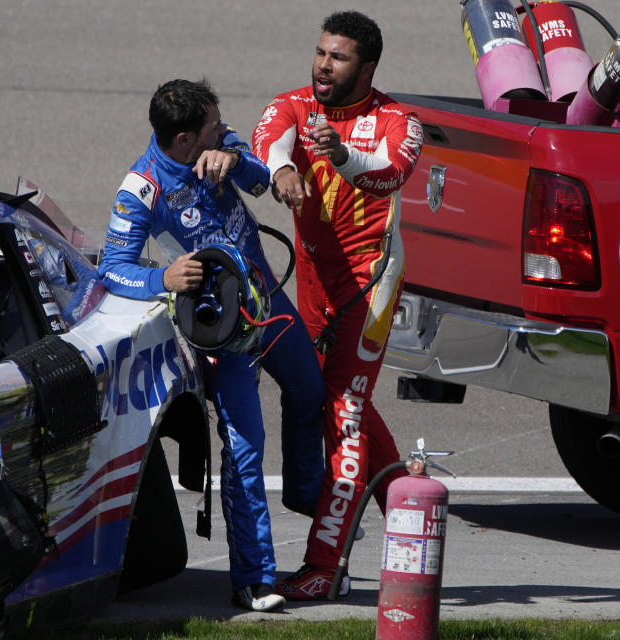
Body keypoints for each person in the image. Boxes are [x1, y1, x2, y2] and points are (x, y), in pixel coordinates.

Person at [98, 79, 326, 612]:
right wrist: (164, 280)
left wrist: (233, 158)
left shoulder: (222, 144)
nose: (223, 128)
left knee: (309, 389)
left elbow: (261, 177)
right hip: (223, 334)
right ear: (183, 140)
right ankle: (253, 578)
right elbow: (113, 269)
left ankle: (305, 495)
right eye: (212, 127)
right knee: (246, 445)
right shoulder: (142, 188)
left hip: (269, 302)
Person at [251, 11, 424, 600]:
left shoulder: (400, 121)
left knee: (344, 414)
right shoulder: (294, 105)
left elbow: (389, 175)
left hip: (368, 288)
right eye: (321, 52)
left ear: (366, 68)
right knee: (344, 400)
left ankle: (326, 564)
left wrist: (343, 155)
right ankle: (408, 509)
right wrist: (280, 170)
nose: (324, 65)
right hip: (314, 285)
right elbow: (267, 137)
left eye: (339, 57)